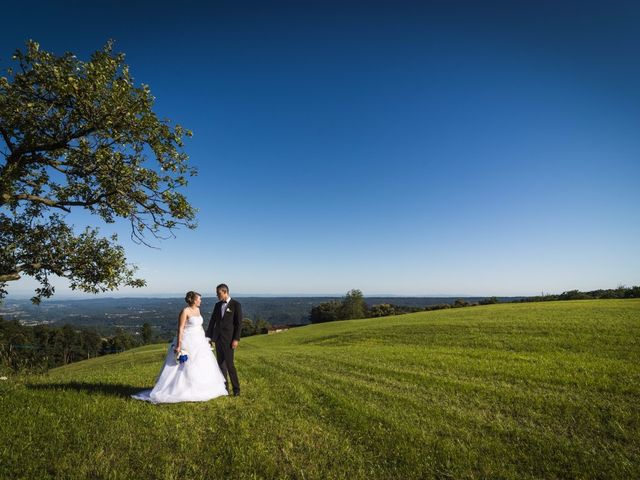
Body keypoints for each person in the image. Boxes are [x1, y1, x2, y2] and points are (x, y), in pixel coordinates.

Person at [131, 291, 228, 403]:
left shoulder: (197, 310)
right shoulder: (185, 311)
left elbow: (199, 326)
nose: (200, 301)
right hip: (187, 340)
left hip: (199, 340)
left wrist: (205, 339)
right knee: (184, 365)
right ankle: (180, 389)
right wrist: (179, 345)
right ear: (193, 300)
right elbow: (181, 328)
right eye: (199, 299)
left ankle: (202, 388)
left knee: (201, 363)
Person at [206, 283, 242, 396]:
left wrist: (236, 339)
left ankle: (236, 390)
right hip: (218, 339)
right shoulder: (217, 305)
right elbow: (212, 321)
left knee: (230, 365)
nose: (217, 295)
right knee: (221, 365)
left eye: (219, 293)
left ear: (225, 292)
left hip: (229, 340)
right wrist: (209, 336)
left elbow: (239, 324)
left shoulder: (236, 305)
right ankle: (224, 389)